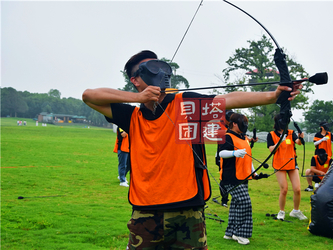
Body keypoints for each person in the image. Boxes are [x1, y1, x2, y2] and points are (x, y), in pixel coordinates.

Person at [82, 50, 302, 249]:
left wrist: (273, 96)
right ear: (135, 80)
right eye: (149, 68)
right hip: (146, 210)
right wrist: (138, 98)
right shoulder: (132, 116)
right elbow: (89, 95)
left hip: (188, 209)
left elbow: (228, 100)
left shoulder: (185, 104)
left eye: (160, 66)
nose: (158, 72)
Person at [219, 113, 258, 245]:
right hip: (231, 177)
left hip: (243, 175)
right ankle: (240, 233)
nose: (245, 125)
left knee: (236, 204)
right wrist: (234, 153)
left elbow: (248, 156)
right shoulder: (226, 136)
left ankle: (230, 233)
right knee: (244, 202)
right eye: (242, 122)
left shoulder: (244, 137)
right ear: (234, 123)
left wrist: (254, 172)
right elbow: (221, 153)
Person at [267, 114, 307, 221]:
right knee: (284, 189)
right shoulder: (271, 135)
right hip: (279, 164)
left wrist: (300, 138)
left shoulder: (291, 133)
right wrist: (280, 141)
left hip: (292, 163)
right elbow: (272, 150)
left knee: (297, 189)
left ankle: (295, 211)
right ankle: (282, 211)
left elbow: (298, 142)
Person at [214, 109, 234, 207]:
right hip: (221, 155)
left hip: (232, 155)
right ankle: (224, 199)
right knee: (224, 177)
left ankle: (233, 197)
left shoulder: (232, 127)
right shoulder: (219, 126)